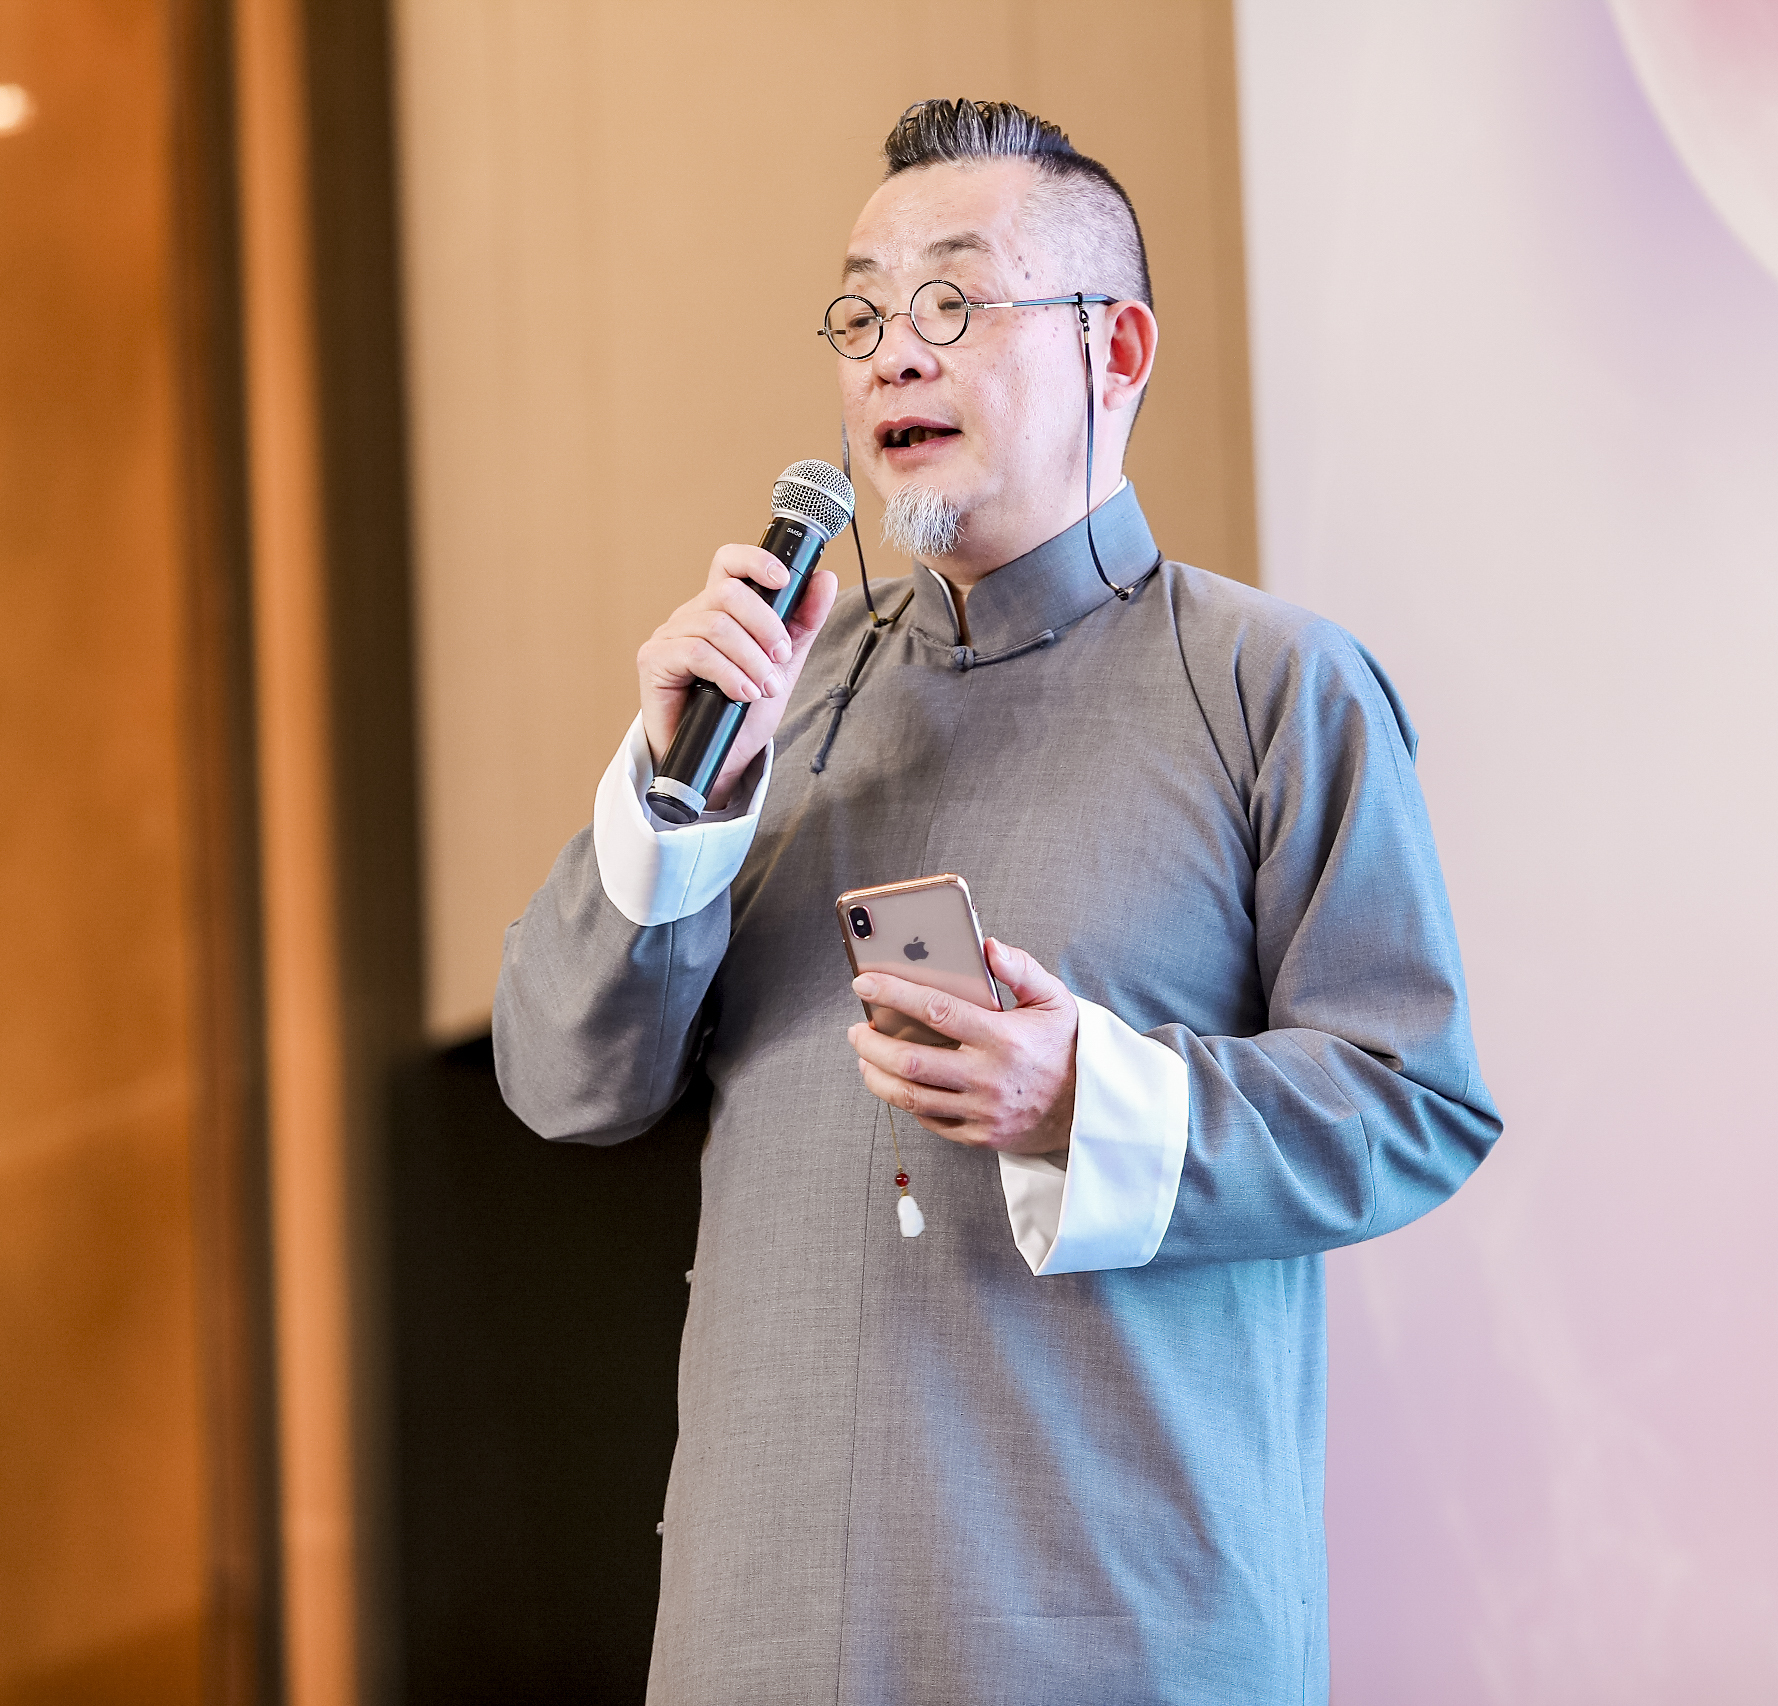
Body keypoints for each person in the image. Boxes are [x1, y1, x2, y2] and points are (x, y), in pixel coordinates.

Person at [495, 98, 1499, 1704]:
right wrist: (680, 796)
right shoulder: (782, 701)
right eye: (863, 314)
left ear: (1119, 349)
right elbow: (564, 1078)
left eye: (954, 301)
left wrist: (1090, 1091)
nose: (895, 352)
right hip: (764, 1641)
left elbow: (1416, 1100)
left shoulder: (1272, 684)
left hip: (1122, 1633)